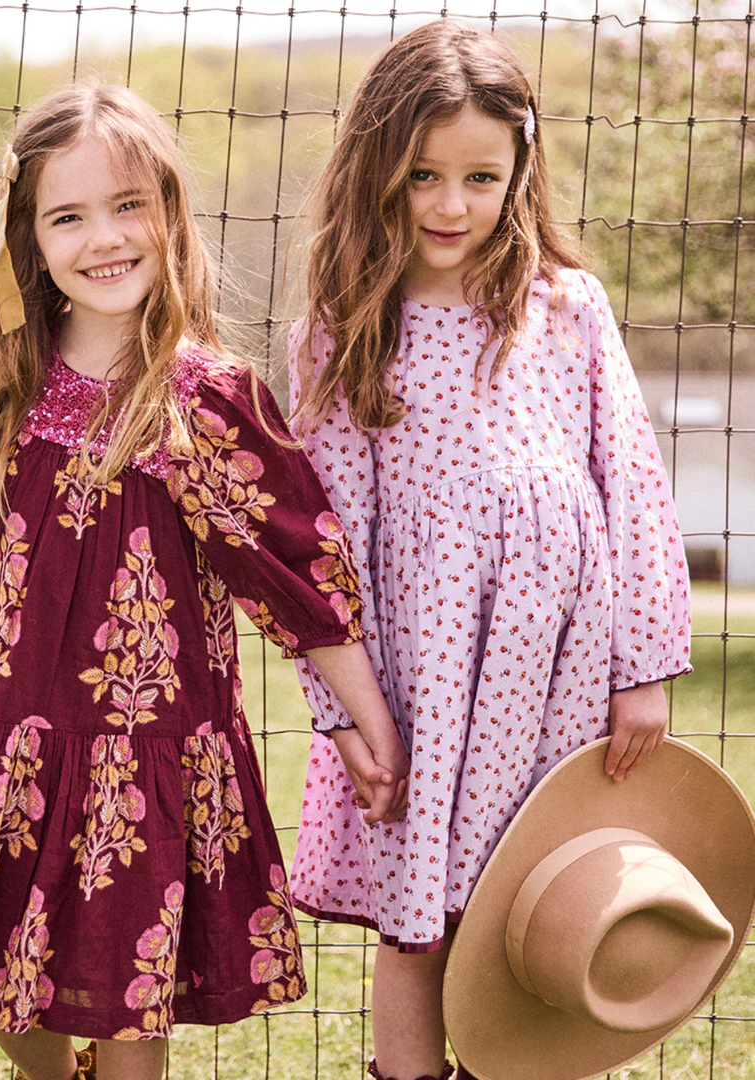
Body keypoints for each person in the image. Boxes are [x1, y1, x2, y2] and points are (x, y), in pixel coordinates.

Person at [0, 83, 408, 1080]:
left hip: (144, 763)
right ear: (30, 237)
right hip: (7, 748)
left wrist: (368, 722)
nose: (102, 238)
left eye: (126, 205)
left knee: (125, 1015)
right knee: (16, 1013)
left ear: (170, 215)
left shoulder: (210, 402)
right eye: (68, 216)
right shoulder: (0, 373)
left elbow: (305, 577)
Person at [286, 21, 692, 1080]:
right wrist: (351, 714)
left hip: (557, 679)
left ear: (519, 169)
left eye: (480, 175)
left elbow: (633, 485)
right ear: (378, 167)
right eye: (422, 176)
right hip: (423, 690)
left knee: (529, 913)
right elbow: (322, 544)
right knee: (419, 927)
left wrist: (642, 669)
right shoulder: (348, 327)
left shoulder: (565, 309)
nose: (452, 205)